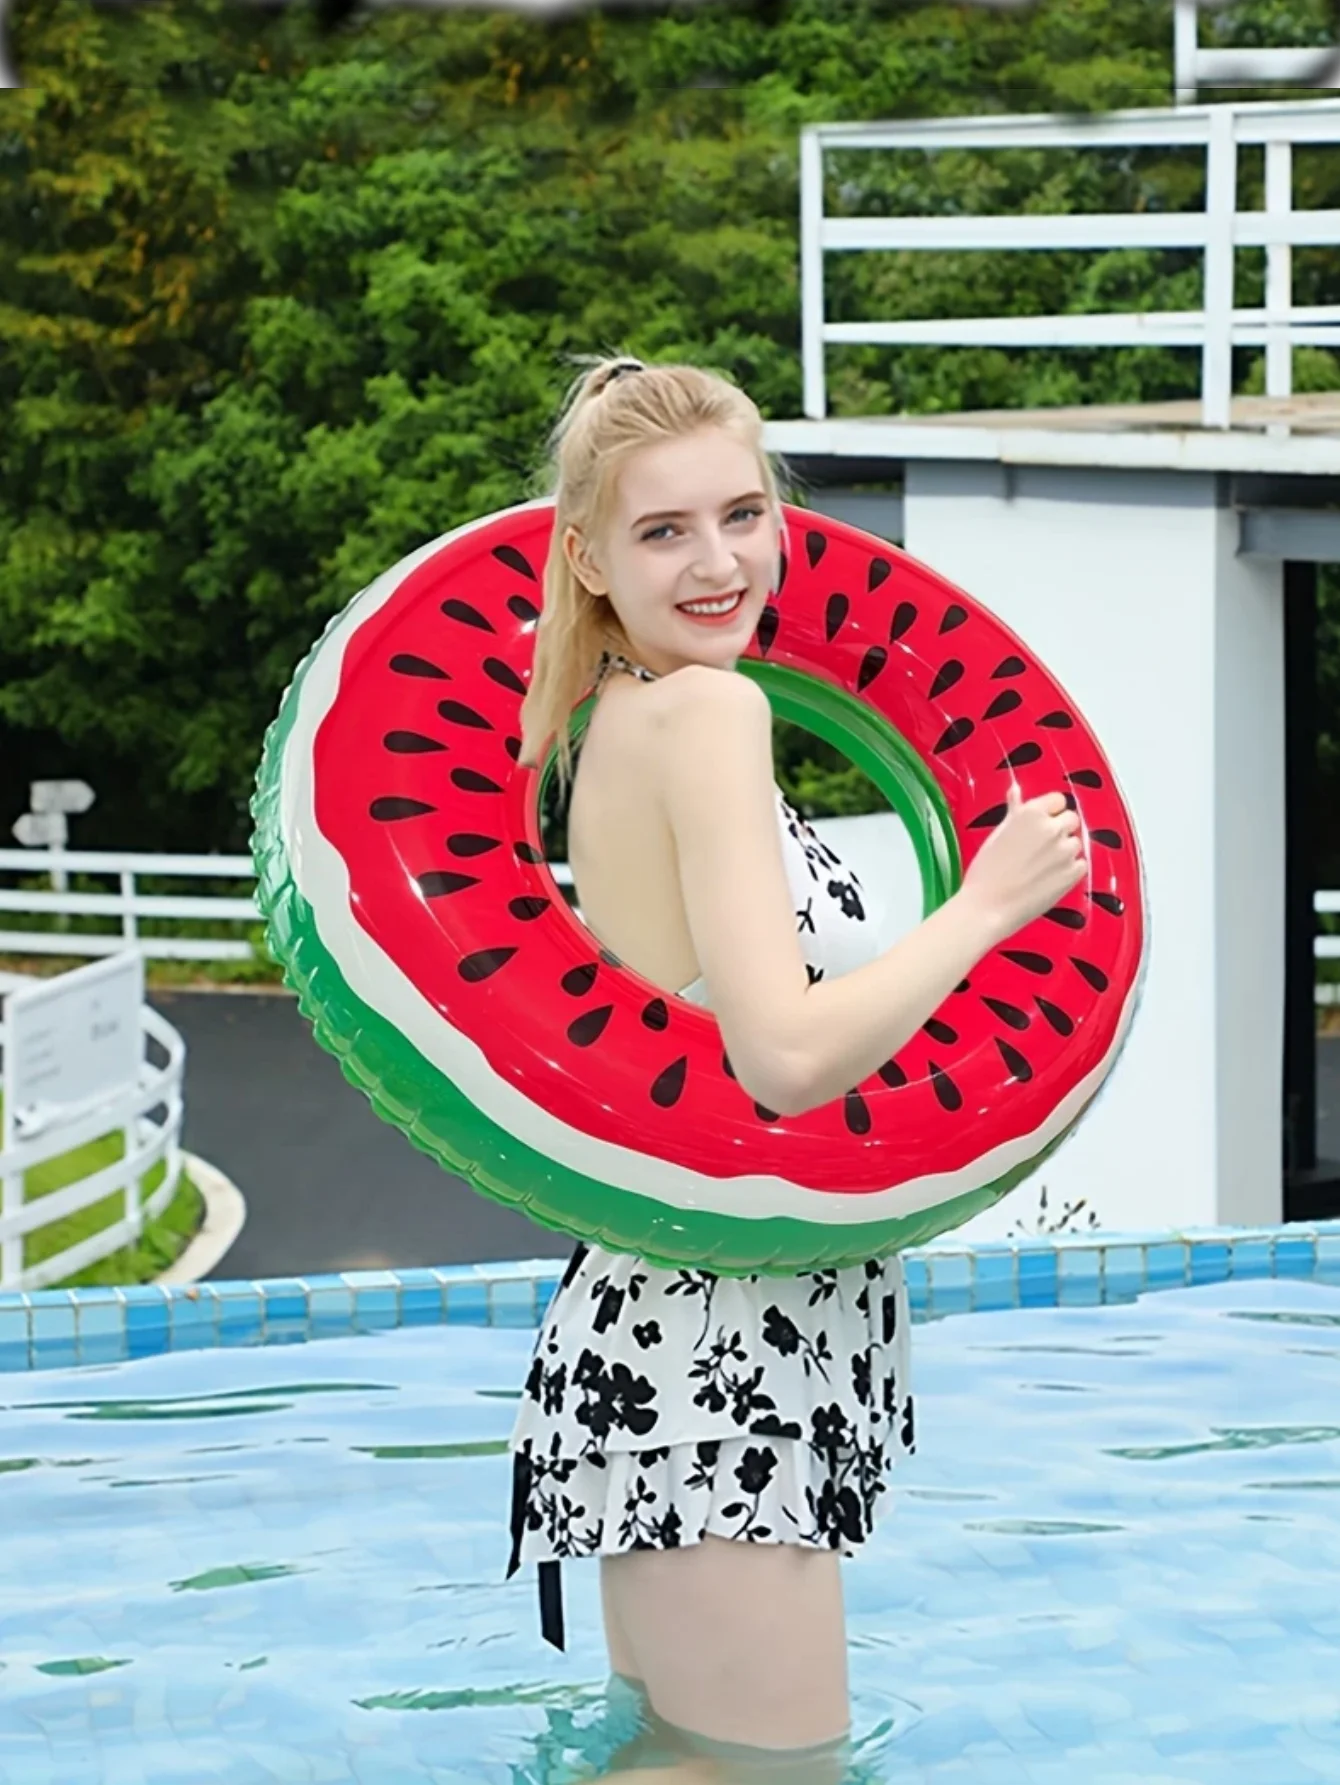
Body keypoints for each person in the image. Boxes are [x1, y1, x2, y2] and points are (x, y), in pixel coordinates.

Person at [509, 354, 1085, 1779]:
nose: (718, 562)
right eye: (663, 531)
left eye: (742, 513)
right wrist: (988, 904)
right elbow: (780, 1059)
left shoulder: (629, 717)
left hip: (682, 1341)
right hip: (719, 1369)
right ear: (585, 558)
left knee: (691, 1765)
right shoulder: (709, 717)